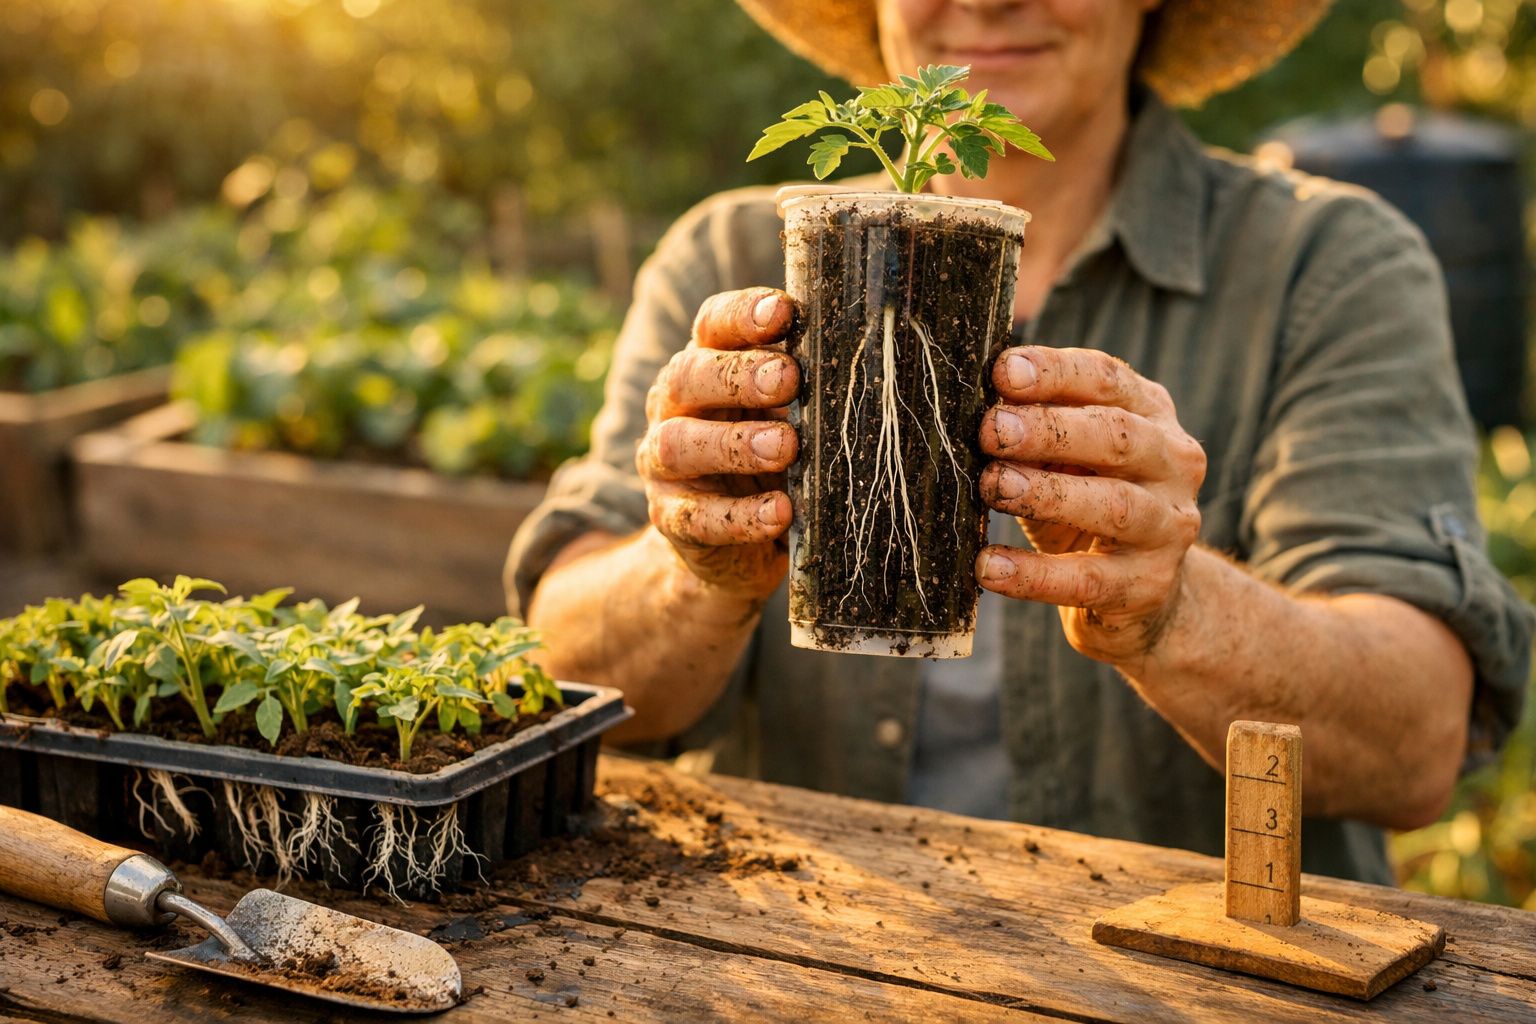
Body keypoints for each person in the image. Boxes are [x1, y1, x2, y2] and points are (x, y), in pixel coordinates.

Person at [506, 0, 1535, 884]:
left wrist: (1171, 610)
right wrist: (693, 570)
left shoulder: (1325, 267)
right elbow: (556, 663)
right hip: (797, 946)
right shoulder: (737, 258)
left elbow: (1418, 741)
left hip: (1181, 977)